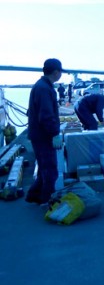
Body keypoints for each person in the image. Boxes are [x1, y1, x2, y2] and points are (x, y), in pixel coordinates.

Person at [25, 58, 64, 205]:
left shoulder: (42, 86)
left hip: (38, 134)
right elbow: (46, 115)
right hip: (43, 136)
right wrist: (55, 134)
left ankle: (33, 195)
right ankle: (48, 200)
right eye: (60, 72)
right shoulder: (44, 88)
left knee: (43, 168)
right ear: (56, 72)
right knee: (50, 170)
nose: (60, 74)